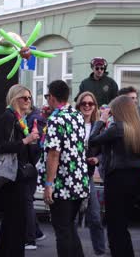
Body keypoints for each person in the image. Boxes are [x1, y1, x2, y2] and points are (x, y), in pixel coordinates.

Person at [89, 95, 140, 257]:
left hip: (116, 180)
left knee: (115, 227)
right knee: (122, 226)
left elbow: (92, 140)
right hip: (134, 180)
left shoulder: (117, 129)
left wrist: (101, 120)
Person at [38, 80, 89, 257]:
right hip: (79, 182)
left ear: (52, 97)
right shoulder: (76, 115)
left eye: (47, 97)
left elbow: (54, 154)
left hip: (62, 184)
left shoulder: (56, 119)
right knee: (70, 228)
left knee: (63, 231)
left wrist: (48, 184)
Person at [0, 84, 39, 256]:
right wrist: (27, 140)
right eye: (24, 98)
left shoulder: (20, 119)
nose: (28, 101)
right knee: (16, 221)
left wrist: (32, 142)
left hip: (20, 175)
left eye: (29, 98)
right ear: (14, 99)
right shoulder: (8, 117)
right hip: (12, 176)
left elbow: (25, 151)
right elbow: (2, 146)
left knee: (13, 222)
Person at [75, 91, 106, 256]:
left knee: (95, 216)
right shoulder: (73, 123)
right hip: (72, 176)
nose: (87, 106)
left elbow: (104, 152)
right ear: (78, 106)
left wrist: (97, 159)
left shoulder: (99, 127)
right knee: (71, 218)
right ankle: (71, 250)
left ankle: (100, 251)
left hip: (87, 175)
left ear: (95, 107)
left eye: (90, 103)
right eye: (83, 103)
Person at [24, 105, 47, 250]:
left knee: (26, 200)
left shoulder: (34, 119)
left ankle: (31, 238)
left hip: (30, 165)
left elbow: (35, 145)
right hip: (32, 164)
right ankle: (36, 232)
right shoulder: (33, 118)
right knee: (27, 200)